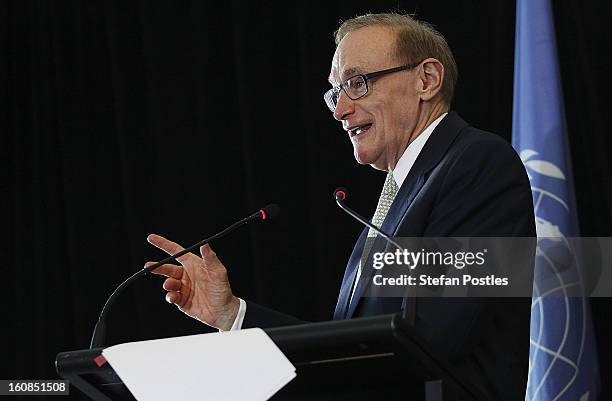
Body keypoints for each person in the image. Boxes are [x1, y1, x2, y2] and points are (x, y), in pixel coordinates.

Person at [146, 13, 535, 400]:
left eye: (357, 83)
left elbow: (429, 343)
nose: (339, 110)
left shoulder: (477, 164)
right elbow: (342, 352)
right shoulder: (396, 197)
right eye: (336, 92)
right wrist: (232, 315)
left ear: (426, 80)